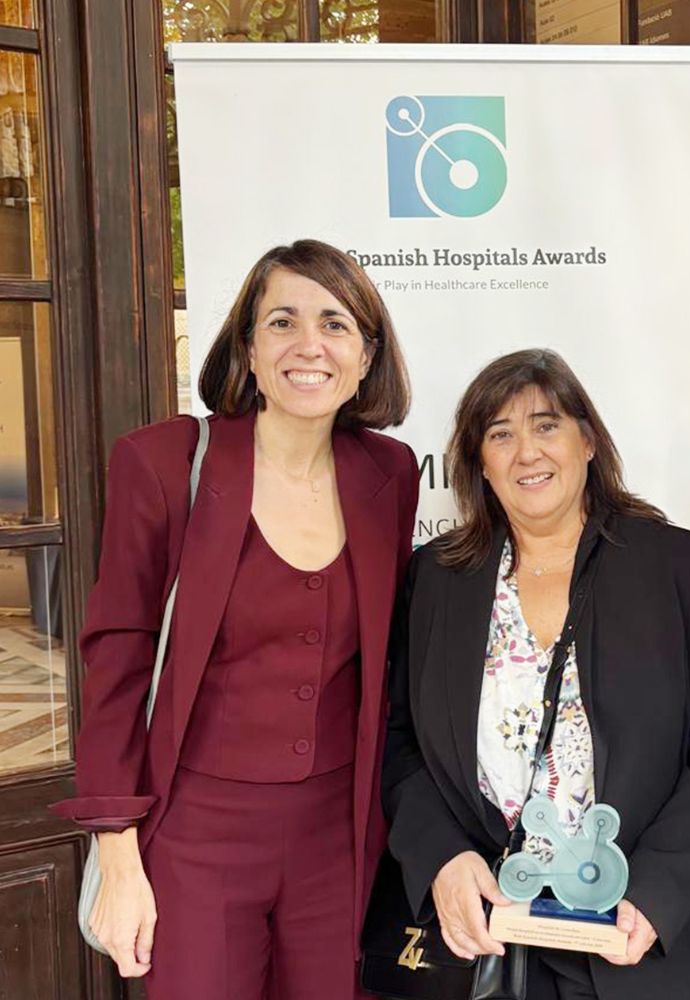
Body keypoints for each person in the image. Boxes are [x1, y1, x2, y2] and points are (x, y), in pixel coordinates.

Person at [51, 239, 420, 999]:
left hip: (338, 840)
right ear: (248, 350)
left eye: (336, 324)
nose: (308, 345)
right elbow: (119, 657)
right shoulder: (162, 463)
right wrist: (119, 858)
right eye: (281, 322)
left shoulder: (386, 473)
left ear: (365, 356)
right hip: (195, 837)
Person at [382, 349, 690, 999]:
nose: (526, 451)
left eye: (546, 425)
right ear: (478, 464)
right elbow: (401, 741)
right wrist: (442, 858)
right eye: (500, 434)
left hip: (629, 937)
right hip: (484, 936)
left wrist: (660, 889)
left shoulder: (678, 568)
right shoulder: (438, 579)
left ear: (588, 440)